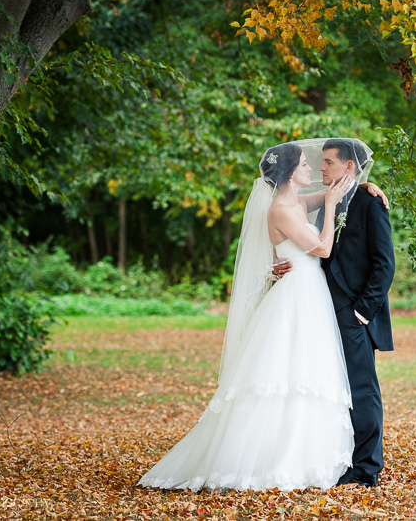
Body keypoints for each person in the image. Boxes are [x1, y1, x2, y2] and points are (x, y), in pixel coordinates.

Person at [138, 141, 385, 492]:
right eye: (304, 165)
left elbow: (333, 194)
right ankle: (275, 458)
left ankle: (314, 454)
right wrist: (330, 206)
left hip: (311, 296)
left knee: (306, 375)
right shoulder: (281, 210)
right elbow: (325, 247)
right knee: (282, 376)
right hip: (297, 297)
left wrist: (362, 185)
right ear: (287, 173)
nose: (312, 170)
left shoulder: (297, 202)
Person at [275, 138, 395, 488]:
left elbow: (384, 266)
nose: (321, 167)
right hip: (322, 310)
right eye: (321, 162)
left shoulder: (371, 203)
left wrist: (362, 312)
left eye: (327, 162)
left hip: (353, 315)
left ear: (348, 167)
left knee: (361, 391)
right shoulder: (332, 200)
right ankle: (340, 457)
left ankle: (367, 468)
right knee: (333, 389)